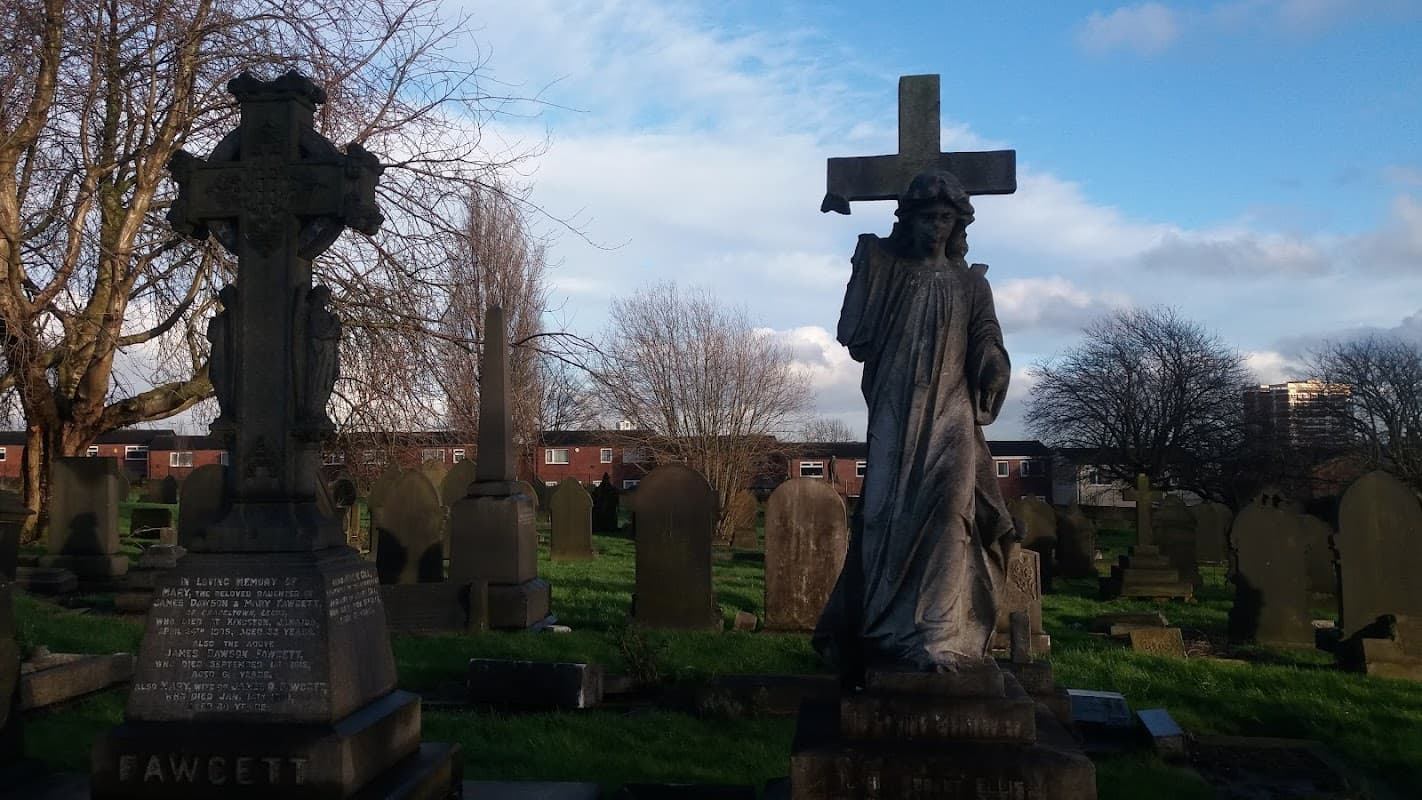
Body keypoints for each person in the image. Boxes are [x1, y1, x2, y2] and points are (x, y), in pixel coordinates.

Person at [813, 170, 1019, 681]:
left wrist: (994, 362)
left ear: (958, 224)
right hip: (895, 410)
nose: (936, 227)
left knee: (951, 516)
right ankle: (884, 631)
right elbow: (855, 336)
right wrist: (864, 269)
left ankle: (938, 635)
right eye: (927, 217)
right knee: (886, 518)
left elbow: (986, 336)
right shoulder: (890, 273)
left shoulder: (972, 284)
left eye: (946, 218)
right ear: (909, 221)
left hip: (952, 415)